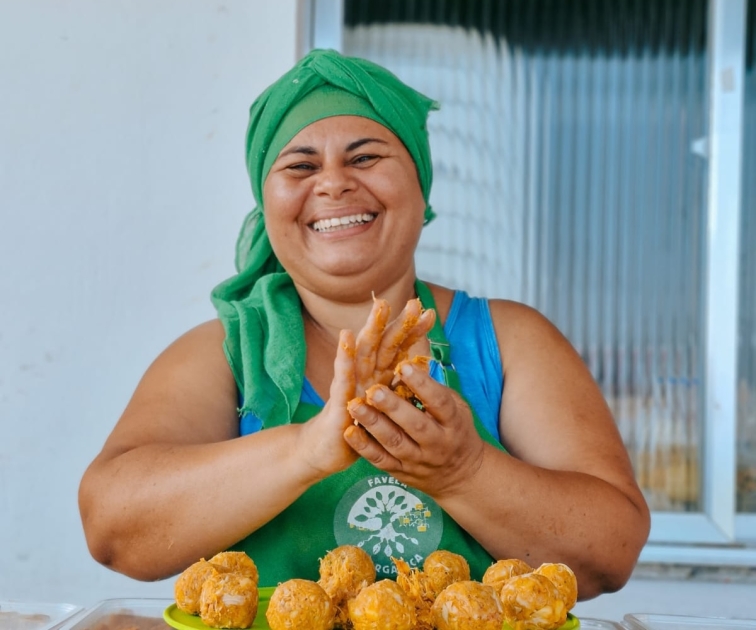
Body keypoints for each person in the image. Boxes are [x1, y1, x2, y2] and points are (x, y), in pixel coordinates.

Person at [78, 48, 650, 601]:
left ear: (419, 185)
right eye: (300, 165)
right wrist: (307, 450)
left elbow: (610, 553)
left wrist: (464, 470)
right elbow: (113, 531)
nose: (332, 184)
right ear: (265, 201)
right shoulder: (227, 353)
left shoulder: (507, 341)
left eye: (365, 157)